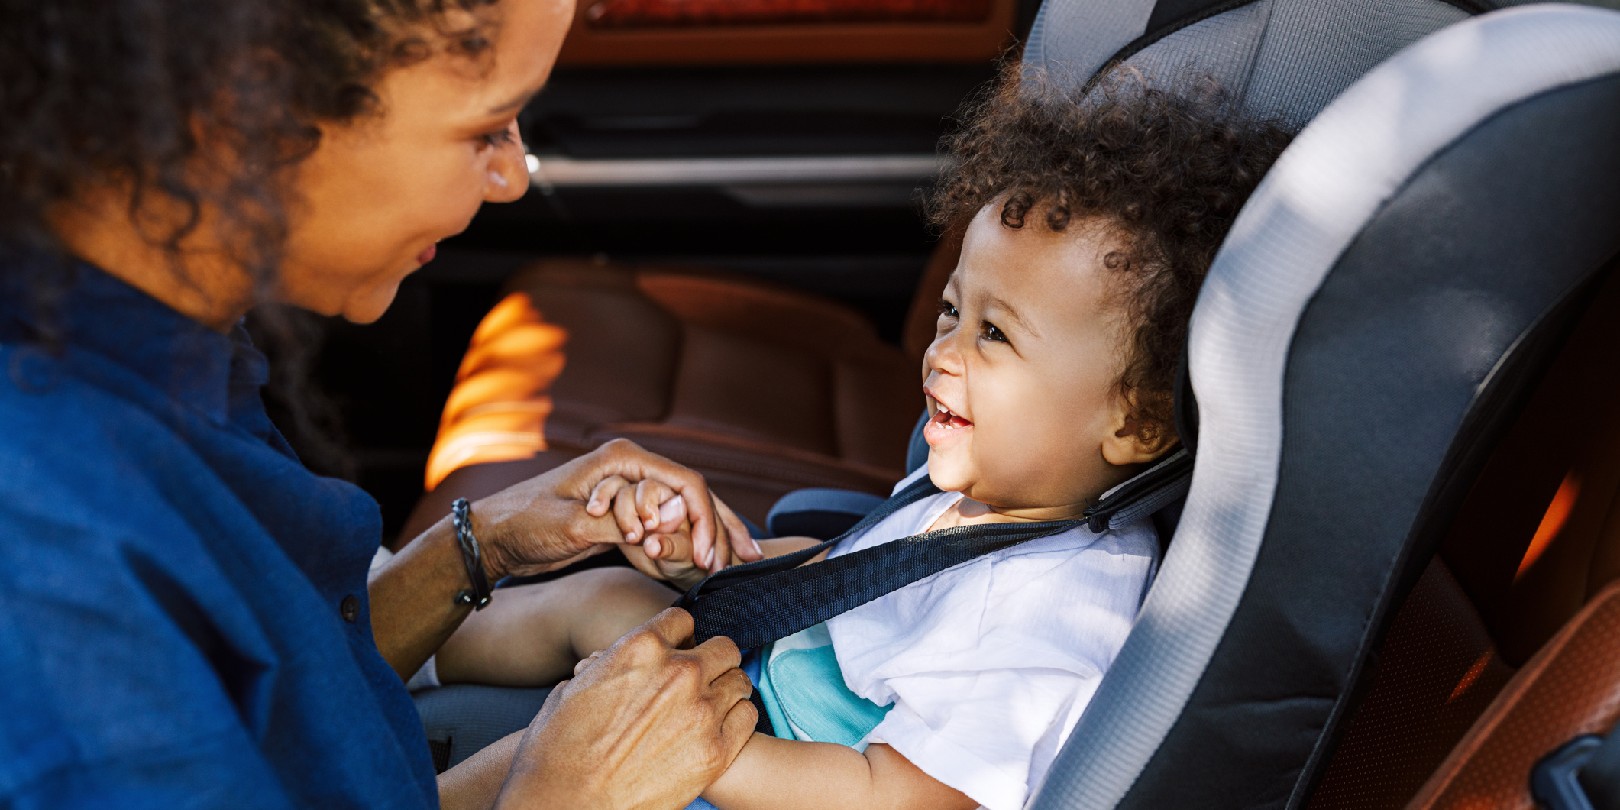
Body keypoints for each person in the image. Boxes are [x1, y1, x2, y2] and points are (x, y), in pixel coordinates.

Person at [421, 73, 1296, 809]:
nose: (943, 352)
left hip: (788, 768)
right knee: (608, 601)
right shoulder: (993, 490)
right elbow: (867, 579)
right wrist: (737, 562)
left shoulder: (1058, 612)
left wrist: (712, 753)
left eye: (996, 336)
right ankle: (407, 657)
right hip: (777, 697)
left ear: (1137, 421)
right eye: (954, 312)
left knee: (568, 733)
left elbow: (905, 798)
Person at [0, 0, 767, 806]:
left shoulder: (157, 338)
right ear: (251, 109)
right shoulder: (48, 551)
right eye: (487, 130)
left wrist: (482, 548)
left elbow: (290, 700)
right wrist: (562, 795)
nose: (511, 178)